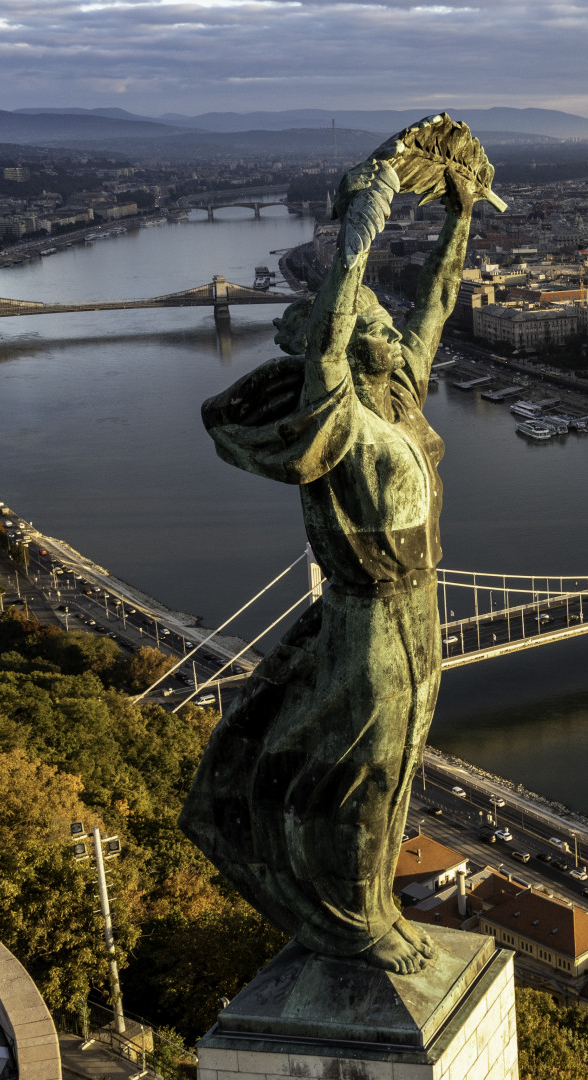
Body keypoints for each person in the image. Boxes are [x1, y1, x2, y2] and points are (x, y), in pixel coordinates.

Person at [180, 116, 500, 974]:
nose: (396, 334)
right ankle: (356, 919)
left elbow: (436, 300)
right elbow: (325, 342)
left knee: (400, 771)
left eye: (390, 329)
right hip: (370, 617)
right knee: (365, 774)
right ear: (354, 346)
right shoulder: (340, 422)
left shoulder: (399, 400)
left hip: (421, 607)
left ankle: (376, 902)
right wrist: (355, 244)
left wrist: (461, 214)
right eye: (379, 329)